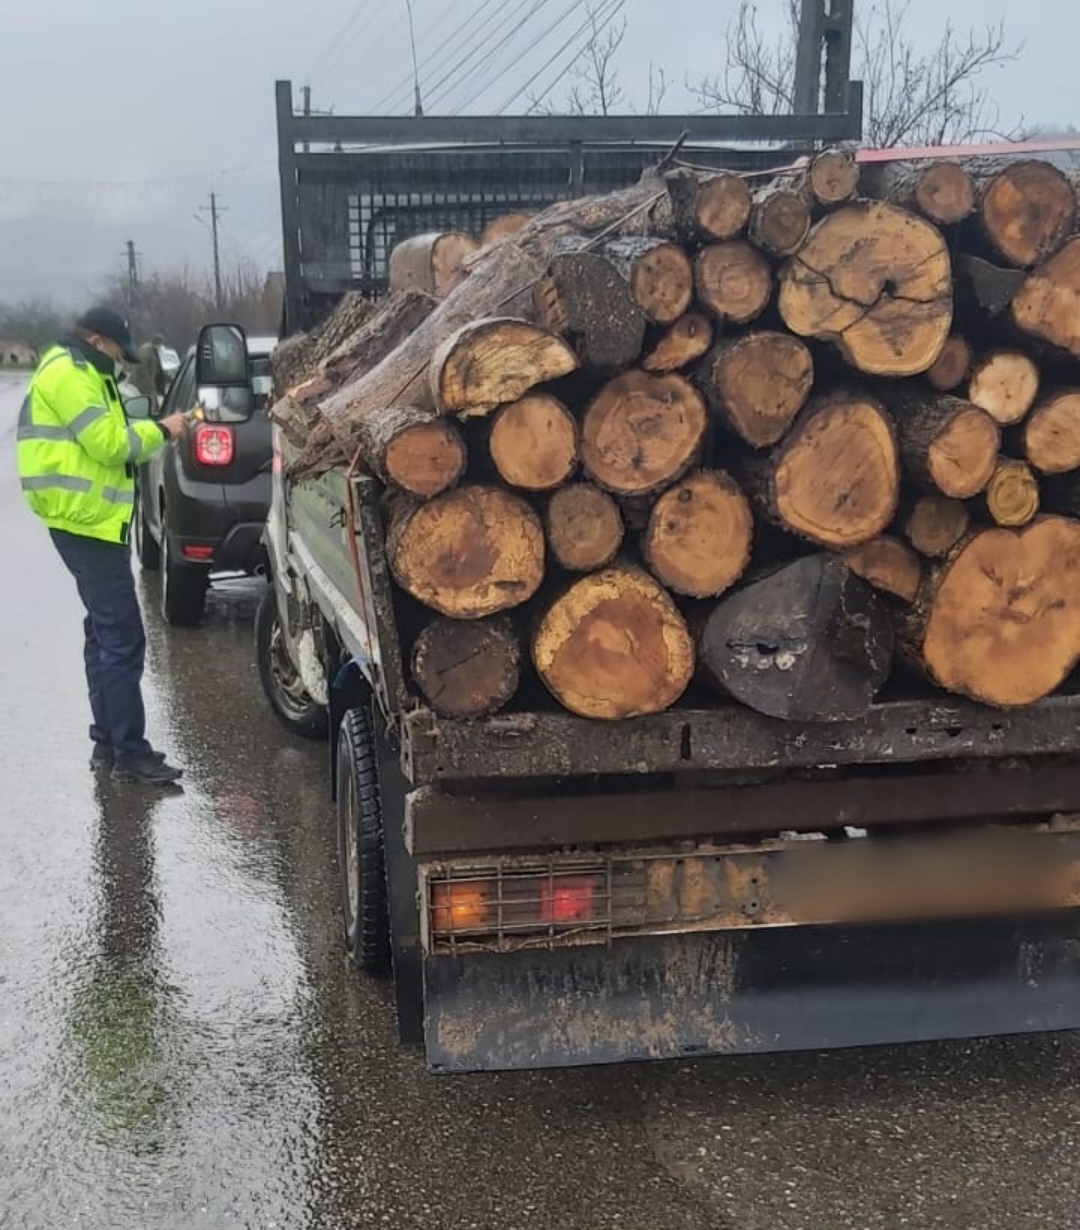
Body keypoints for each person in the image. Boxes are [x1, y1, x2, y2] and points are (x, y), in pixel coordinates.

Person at [16, 306, 191, 786]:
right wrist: (162, 430)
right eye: (117, 352)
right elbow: (110, 444)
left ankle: (108, 740)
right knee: (122, 636)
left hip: (88, 522)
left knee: (103, 632)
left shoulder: (79, 370)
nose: (121, 361)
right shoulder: (71, 376)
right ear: (97, 341)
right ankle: (130, 753)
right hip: (86, 523)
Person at [132, 333, 167, 407]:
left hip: (149, 384)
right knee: (149, 403)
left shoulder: (153, 351)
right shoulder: (146, 350)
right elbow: (142, 367)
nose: (161, 347)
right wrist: (148, 383)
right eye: (160, 344)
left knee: (152, 403)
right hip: (143, 384)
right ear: (157, 343)